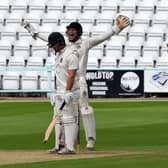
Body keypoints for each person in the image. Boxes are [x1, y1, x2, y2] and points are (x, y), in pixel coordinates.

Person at [24, 15, 130, 150]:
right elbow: (48, 38)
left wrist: (117, 28)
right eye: (69, 30)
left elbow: (102, 37)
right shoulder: (63, 43)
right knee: (61, 113)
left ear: (78, 32)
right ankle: (60, 144)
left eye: (73, 30)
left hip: (79, 81)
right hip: (64, 82)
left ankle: (90, 140)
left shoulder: (85, 43)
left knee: (85, 110)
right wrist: (33, 31)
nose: (70, 32)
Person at [47, 32, 80, 154]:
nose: (52, 47)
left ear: (60, 42)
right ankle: (58, 146)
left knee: (68, 118)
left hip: (70, 92)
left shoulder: (71, 55)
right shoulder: (58, 55)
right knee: (57, 119)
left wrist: (68, 91)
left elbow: (71, 75)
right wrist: (55, 92)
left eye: (53, 45)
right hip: (60, 92)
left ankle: (70, 147)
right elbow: (58, 75)